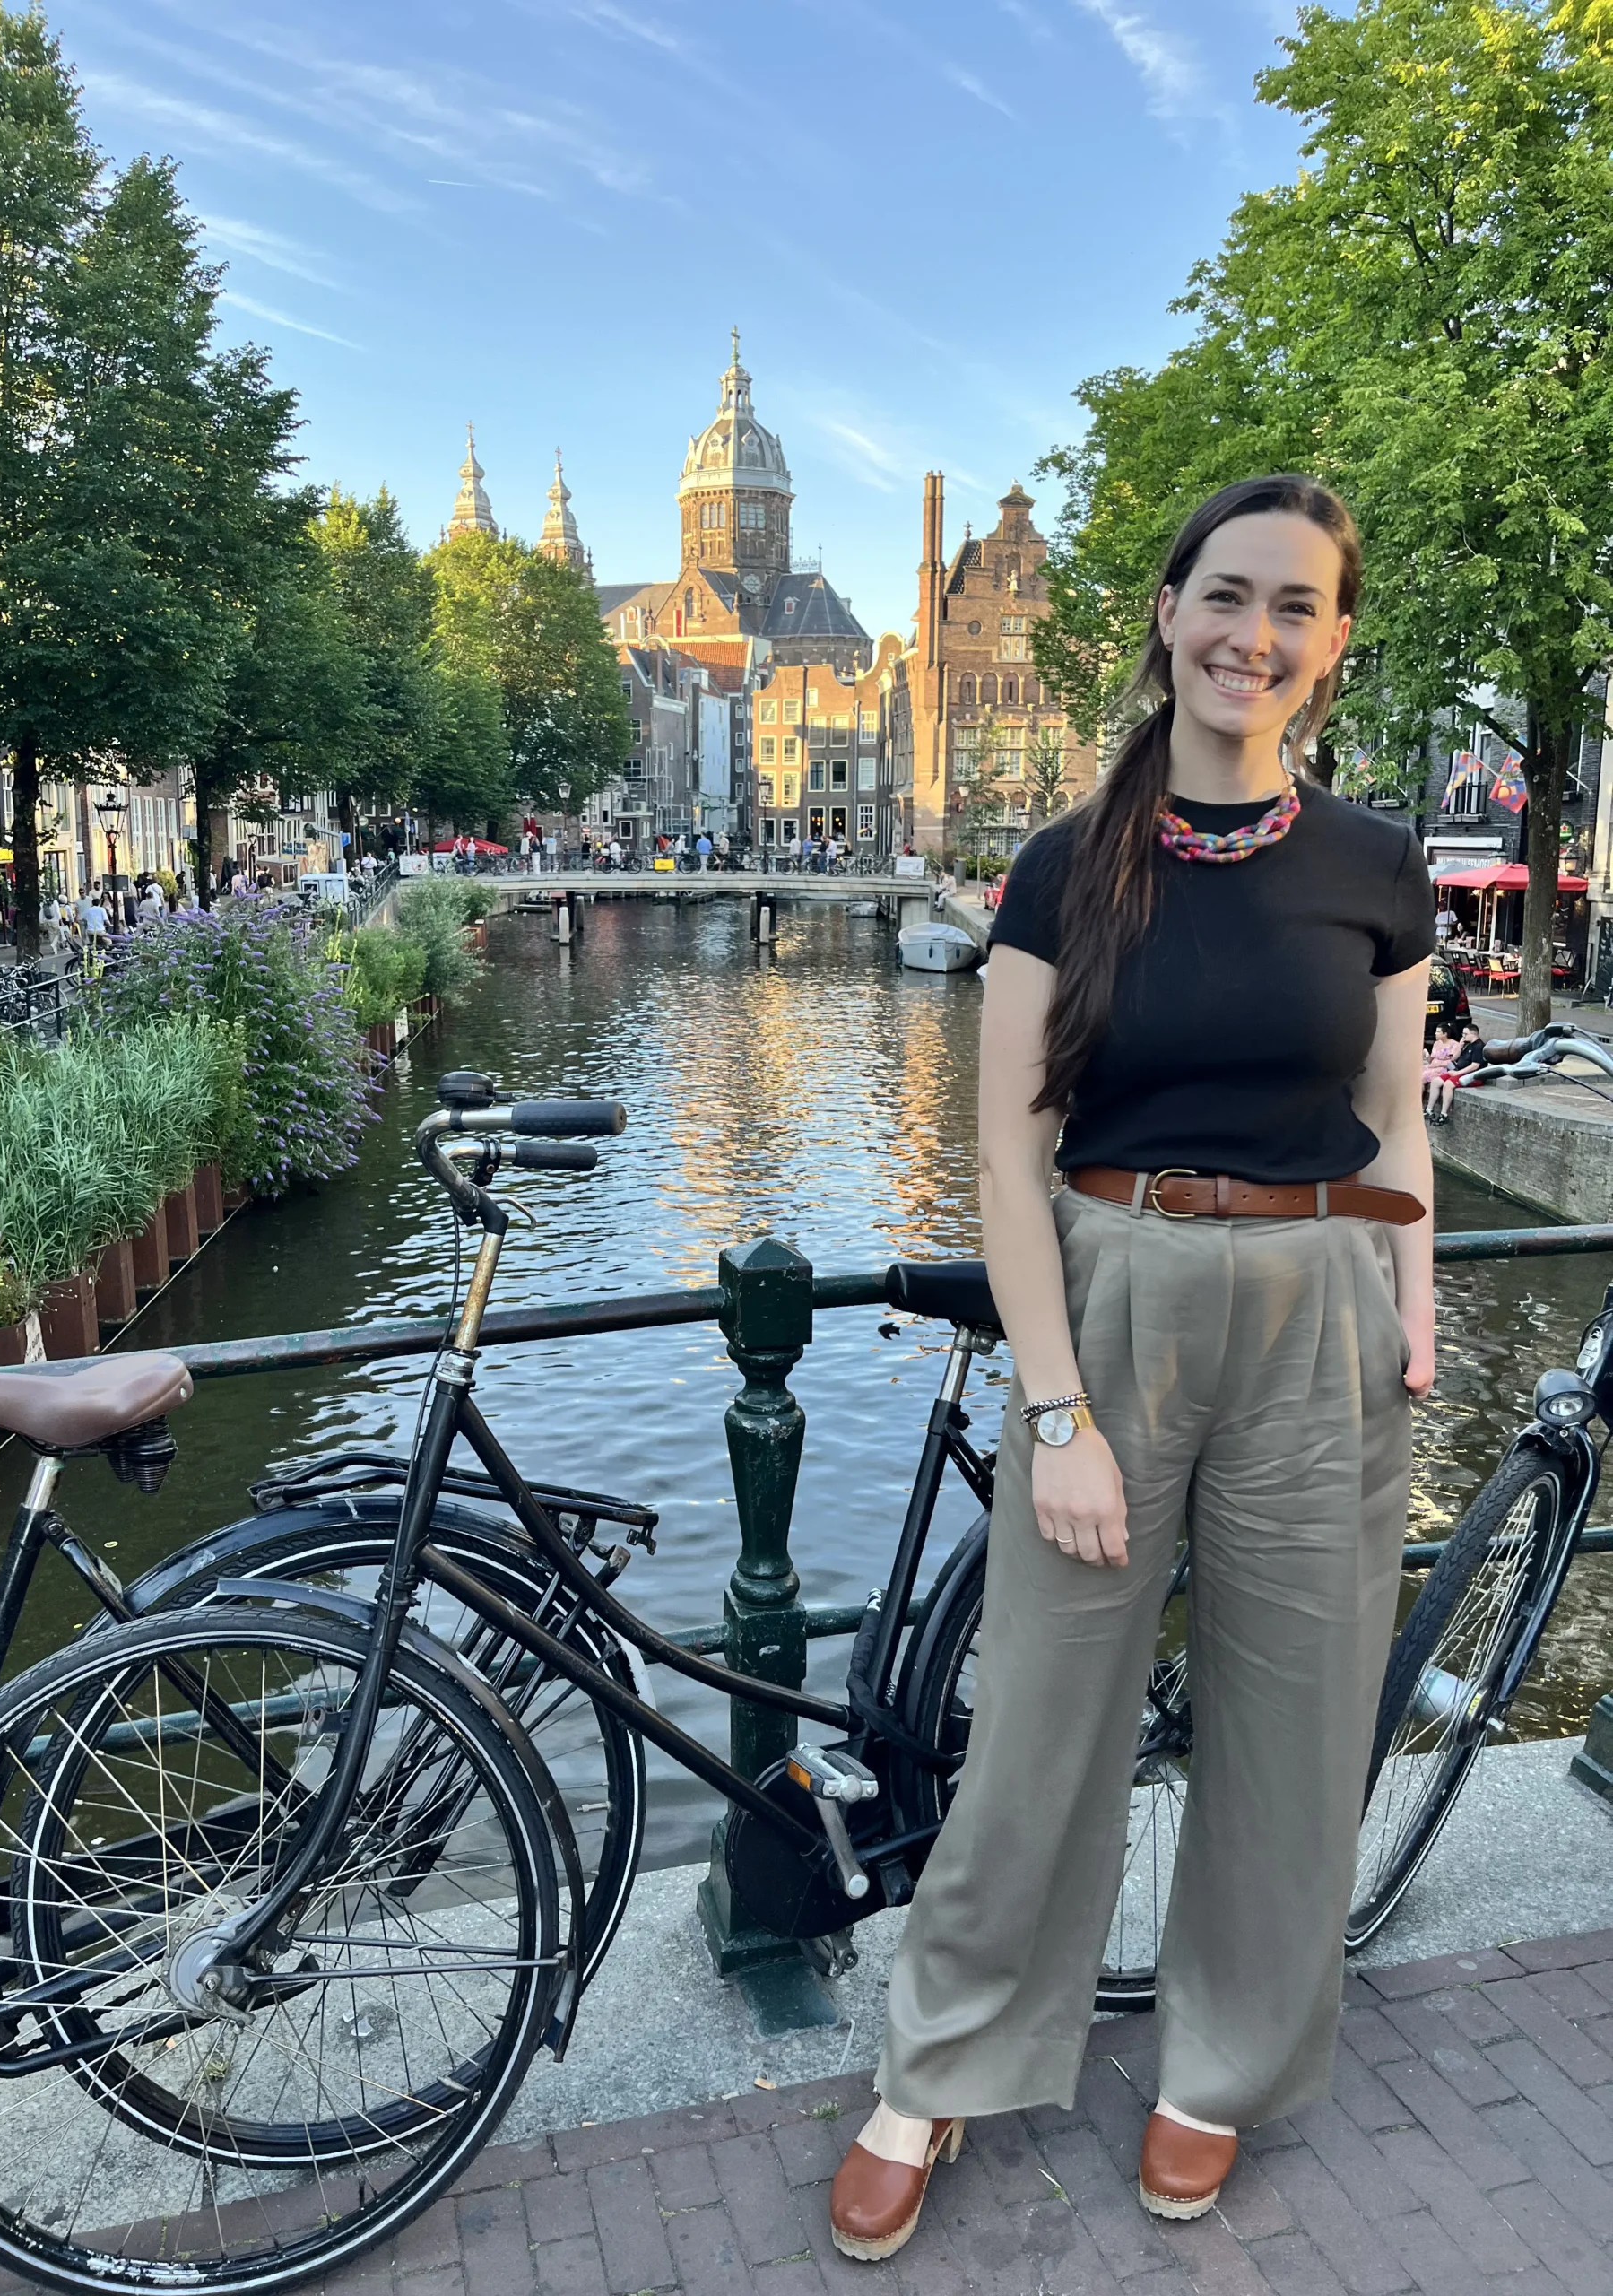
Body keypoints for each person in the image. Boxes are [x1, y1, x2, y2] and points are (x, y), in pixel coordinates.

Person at [829, 474, 1434, 2261]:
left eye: (1297, 606)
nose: (1257, 633)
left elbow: (1396, 1118)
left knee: (1296, 1722)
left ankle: (1219, 2065)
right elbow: (1008, 1157)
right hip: (1117, 1288)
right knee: (1040, 1714)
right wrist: (1059, 1409)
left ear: (1332, 644)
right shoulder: (1063, 865)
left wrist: (1415, 1312)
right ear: (1171, 614)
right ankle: (942, 2058)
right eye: (1227, 595)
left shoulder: (1379, 866)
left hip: (1319, 1300)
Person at [1424, 1026, 1461, 1122]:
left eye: (1438, 1032)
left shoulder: (1455, 1045)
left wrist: (1437, 1064)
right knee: (1418, 1078)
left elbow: (1452, 1061)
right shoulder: (1436, 1043)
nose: (1435, 1033)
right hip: (1432, 1066)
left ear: (1445, 1034)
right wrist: (1427, 1055)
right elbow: (1431, 1060)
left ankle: (1430, 1109)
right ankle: (1419, 1105)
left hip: (1443, 1069)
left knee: (1427, 1078)